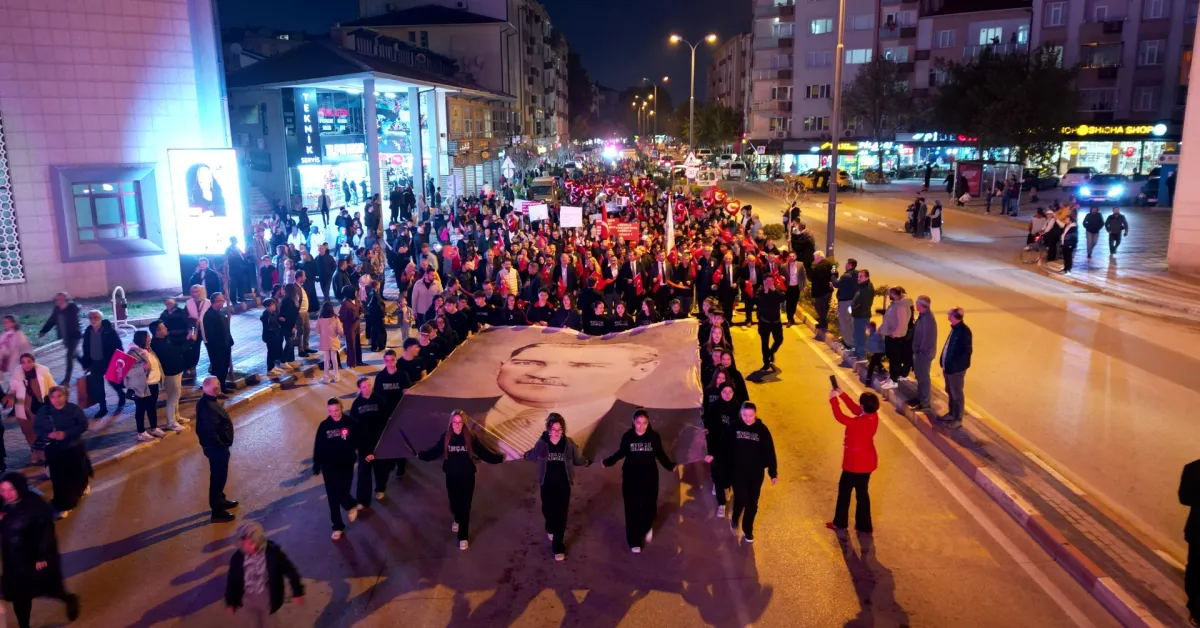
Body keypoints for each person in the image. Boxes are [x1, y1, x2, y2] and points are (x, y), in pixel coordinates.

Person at [0, 472, 81, 628]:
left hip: (32, 559)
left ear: (19, 488)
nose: (6, 494)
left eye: (10, 490)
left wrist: (42, 557)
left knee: (48, 587)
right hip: (13, 559)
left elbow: (46, 534)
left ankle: (68, 599)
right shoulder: (3, 503)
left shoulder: (35, 506)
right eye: (2, 490)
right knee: (20, 596)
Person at [417, 410, 505, 550]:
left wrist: (498, 458)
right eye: (454, 422)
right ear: (451, 423)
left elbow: (483, 453)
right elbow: (434, 452)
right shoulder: (446, 437)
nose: (457, 425)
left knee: (465, 505)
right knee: (454, 503)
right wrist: (421, 455)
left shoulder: (470, 437)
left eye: (459, 422)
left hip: (467, 476)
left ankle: (463, 536)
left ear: (464, 423)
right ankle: (457, 518)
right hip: (451, 476)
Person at [600, 408, 676, 553]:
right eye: (638, 423)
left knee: (648, 506)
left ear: (648, 423)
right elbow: (621, 452)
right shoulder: (628, 437)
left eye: (644, 423)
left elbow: (660, 454)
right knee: (632, 508)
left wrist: (670, 466)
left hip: (650, 477)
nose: (641, 426)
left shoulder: (653, 437)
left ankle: (646, 527)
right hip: (631, 478)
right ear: (633, 422)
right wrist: (608, 462)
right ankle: (634, 540)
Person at [523, 413, 590, 561]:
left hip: (563, 484)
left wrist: (586, 462)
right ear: (548, 429)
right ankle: (550, 526)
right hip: (546, 483)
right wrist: (526, 455)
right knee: (548, 509)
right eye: (553, 429)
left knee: (561, 513)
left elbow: (577, 458)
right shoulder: (542, 443)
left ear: (563, 430)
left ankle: (557, 546)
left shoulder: (568, 444)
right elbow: (533, 455)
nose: (556, 432)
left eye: (559, 430)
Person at [709, 401, 777, 543]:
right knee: (741, 498)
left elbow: (770, 451)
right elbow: (723, 447)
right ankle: (735, 518)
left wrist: (773, 472)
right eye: (745, 415)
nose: (747, 418)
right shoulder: (733, 428)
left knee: (753, 502)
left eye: (750, 416)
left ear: (755, 414)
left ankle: (748, 530)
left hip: (756, 473)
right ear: (741, 413)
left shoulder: (762, 430)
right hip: (738, 472)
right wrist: (714, 457)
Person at [224, 522, 304, 625]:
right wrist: (230, 602)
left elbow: (290, 571)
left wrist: (298, 591)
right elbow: (232, 580)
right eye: (243, 544)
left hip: (267, 601)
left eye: (250, 543)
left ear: (257, 541)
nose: (245, 547)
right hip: (247, 602)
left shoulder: (273, 553)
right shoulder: (237, 558)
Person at [32, 386, 91, 519]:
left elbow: (83, 425)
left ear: (66, 396)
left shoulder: (73, 409)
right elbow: (36, 428)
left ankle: (83, 484)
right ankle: (64, 505)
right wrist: (49, 434)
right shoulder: (44, 411)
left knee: (78, 471)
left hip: (73, 446)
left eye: (60, 396)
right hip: (55, 450)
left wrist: (66, 433)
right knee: (59, 479)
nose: (57, 400)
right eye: (53, 397)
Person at [826, 389, 879, 535]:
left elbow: (840, 416)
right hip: (867, 463)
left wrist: (833, 400)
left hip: (854, 464)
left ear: (863, 406)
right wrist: (841, 394)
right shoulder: (872, 416)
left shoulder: (858, 422)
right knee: (862, 494)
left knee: (844, 492)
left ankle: (840, 522)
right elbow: (855, 409)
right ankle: (864, 526)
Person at [312, 397, 362, 540]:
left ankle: (351, 504)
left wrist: (365, 453)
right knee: (332, 497)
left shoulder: (350, 423)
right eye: (331, 411)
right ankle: (337, 526)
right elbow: (318, 446)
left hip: (346, 464)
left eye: (336, 410)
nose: (334, 414)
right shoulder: (324, 426)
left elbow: (359, 440)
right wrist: (316, 464)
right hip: (329, 466)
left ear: (341, 408)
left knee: (342, 491)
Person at [196, 376, 237, 522]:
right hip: (216, 449)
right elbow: (210, 432)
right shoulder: (209, 407)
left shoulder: (207, 401)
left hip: (216, 448)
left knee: (220, 476)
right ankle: (217, 510)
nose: (220, 385)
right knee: (218, 478)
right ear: (215, 388)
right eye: (218, 384)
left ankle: (221, 499)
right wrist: (222, 444)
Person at [3, 353, 54, 467]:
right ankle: (35, 453)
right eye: (23, 362)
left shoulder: (43, 373)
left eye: (29, 362)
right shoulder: (17, 376)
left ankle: (45, 455)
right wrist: (9, 397)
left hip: (41, 408)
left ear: (33, 362)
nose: (26, 365)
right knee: (29, 432)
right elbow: (12, 389)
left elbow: (52, 387)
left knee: (43, 431)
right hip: (24, 408)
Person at [350, 377, 392, 506]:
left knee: (381, 468)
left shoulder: (379, 400)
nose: (367, 388)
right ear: (359, 389)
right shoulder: (356, 404)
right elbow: (354, 426)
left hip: (379, 441)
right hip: (364, 443)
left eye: (369, 385)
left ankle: (380, 489)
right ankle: (363, 500)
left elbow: (386, 419)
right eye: (364, 387)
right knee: (364, 473)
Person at [126, 330, 171, 442]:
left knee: (152, 407)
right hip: (142, 386)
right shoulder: (132, 353)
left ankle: (154, 428)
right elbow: (127, 372)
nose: (150, 338)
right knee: (140, 409)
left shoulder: (149, 350)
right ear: (142, 339)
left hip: (153, 384)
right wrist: (143, 368)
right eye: (148, 337)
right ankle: (141, 432)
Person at [79, 309, 123, 419]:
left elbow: (118, 345)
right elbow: (85, 348)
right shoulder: (88, 331)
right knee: (98, 386)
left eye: (96, 318)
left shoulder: (109, 330)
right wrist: (86, 362)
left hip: (108, 361)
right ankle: (103, 407)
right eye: (91, 318)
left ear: (100, 319)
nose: (93, 320)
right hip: (95, 363)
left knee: (113, 381)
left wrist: (119, 360)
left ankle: (120, 393)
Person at [938, 307, 972, 428]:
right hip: (948, 368)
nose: (947, 315)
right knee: (950, 391)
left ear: (954, 316)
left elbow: (966, 352)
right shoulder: (955, 328)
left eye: (949, 313)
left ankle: (958, 419)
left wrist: (955, 367)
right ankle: (952, 413)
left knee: (957, 393)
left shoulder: (964, 331)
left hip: (955, 370)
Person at [37, 292, 81, 384]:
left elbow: (75, 314)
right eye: (56, 299)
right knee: (73, 353)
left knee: (69, 356)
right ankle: (85, 365)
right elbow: (51, 320)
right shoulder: (57, 309)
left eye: (58, 299)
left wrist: (63, 309)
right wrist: (43, 331)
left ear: (64, 299)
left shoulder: (72, 308)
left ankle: (67, 379)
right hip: (65, 337)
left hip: (74, 336)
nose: (56, 301)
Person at [878, 287, 912, 390]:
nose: (889, 295)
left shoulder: (901, 306)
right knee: (892, 358)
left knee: (895, 359)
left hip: (896, 337)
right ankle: (892, 377)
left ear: (895, 294)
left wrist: (895, 334)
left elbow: (902, 324)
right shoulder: (896, 303)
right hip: (891, 335)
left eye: (890, 293)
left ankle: (894, 380)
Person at [1180, 458, 1200, 626]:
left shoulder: (1192, 468)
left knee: (1194, 568)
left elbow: (1184, 499)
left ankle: (1195, 609)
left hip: (1197, 530)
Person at [909, 296, 937, 411]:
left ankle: (925, 403)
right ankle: (920, 398)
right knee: (920, 377)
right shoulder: (922, 316)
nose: (915, 306)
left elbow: (927, 339)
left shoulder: (928, 320)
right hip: (919, 353)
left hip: (923, 355)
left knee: (924, 378)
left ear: (922, 305)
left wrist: (919, 351)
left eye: (917, 304)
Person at [203, 293, 235, 394]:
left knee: (224, 367)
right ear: (216, 302)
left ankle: (223, 386)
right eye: (221, 300)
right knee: (218, 368)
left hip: (225, 345)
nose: (223, 302)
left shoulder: (219, 313)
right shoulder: (209, 315)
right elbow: (210, 334)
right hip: (217, 348)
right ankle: (216, 390)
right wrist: (218, 346)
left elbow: (226, 329)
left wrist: (230, 340)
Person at [755, 277, 785, 371]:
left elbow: (782, 298)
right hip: (764, 322)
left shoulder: (776, 290)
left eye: (771, 281)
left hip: (776, 321)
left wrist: (774, 290)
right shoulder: (760, 291)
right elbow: (757, 302)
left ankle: (771, 352)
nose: (769, 283)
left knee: (779, 339)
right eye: (767, 281)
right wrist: (766, 293)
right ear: (763, 282)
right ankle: (766, 362)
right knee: (765, 343)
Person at [315, 302, 344, 384]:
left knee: (326, 359)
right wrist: (341, 334)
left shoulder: (320, 319)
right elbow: (340, 330)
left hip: (324, 341)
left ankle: (326, 377)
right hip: (334, 340)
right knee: (334, 359)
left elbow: (317, 330)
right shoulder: (335, 319)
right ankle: (336, 376)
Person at [834, 258, 858, 351]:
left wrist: (833, 275)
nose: (845, 265)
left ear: (849, 265)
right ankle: (852, 341)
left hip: (845, 302)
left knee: (844, 322)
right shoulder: (856, 274)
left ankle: (848, 343)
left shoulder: (846, 276)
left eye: (846, 264)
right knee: (850, 322)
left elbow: (836, 284)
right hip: (852, 301)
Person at [810, 251, 835, 339]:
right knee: (824, 307)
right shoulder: (831, 264)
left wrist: (828, 283)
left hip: (821, 291)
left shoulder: (819, 267)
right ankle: (822, 322)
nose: (814, 259)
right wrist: (832, 281)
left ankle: (823, 324)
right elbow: (835, 271)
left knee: (820, 307)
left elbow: (821, 279)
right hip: (828, 291)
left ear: (819, 257)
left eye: (815, 257)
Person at [0, 315, 32, 380]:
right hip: (8, 361)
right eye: (4, 323)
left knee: (19, 380)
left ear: (14, 323)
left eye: (7, 322)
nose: (5, 324)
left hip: (17, 362)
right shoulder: (5, 335)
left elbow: (24, 350)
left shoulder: (19, 336)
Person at [338, 288, 363, 368]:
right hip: (349, 327)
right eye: (354, 292)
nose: (356, 294)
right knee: (351, 345)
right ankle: (352, 363)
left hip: (357, 324)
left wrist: (360, 311)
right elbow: (341, 317)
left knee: (357, 343)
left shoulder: (355, 300)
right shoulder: (345, 304)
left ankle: (359, 360)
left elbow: (359, 308)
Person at [292, 271, 313, 357]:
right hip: (300, 313)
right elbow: (295, 300)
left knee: (307, 329)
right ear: (299, 277)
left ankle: (306, 347)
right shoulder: (294, 287)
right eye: (304, 276)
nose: (305, 278)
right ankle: (300, 350)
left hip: (305, 312)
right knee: (300, 331)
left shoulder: (301, 286)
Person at [783, 251, 806, 326]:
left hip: (796, 287)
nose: (792, 258)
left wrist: (804, 286)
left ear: (795, 257)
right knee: (788, 304)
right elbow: (781, 275)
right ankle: (789, 319)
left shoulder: (800, 264)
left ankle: (792, 316)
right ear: (788, 257)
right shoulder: (784, 266)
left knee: (794, 303)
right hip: (788, 287)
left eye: (793, 256)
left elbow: (803, 276)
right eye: (790, 256)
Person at [1060, 210, 1079, 275]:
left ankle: (1068, 270)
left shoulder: (1073, 227)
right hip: (1065, 244)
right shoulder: (1066, 226)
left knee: (1068, 257)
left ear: (1070, 221)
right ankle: (1065, 268)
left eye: (1067, 219)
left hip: (1069, 245)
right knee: (1065, 257)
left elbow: (1075, 238)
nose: (1065, 220)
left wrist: (1071, 245)